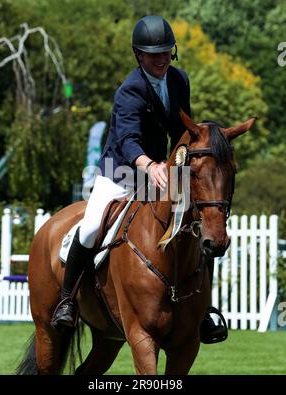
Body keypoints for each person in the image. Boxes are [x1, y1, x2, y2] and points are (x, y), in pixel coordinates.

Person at [52, 15, 228, 344]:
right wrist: (150, 165)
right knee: (90, 225)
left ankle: (203, 309)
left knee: (196, 224)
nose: (162, 59)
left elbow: (181, 128)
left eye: (166, 52)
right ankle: (66, 300)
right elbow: (127, 139)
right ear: (139, 55)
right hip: (120, 171)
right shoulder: (129, 91)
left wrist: (187, 157)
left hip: (163, 170)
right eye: (154, 54)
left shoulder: (179, 80)